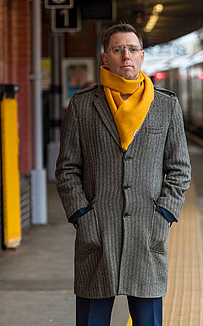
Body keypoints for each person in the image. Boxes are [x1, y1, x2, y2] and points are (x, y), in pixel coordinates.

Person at [56, 23, 191, 326]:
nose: (125, 56)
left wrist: (164, 216)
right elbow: (67, 169)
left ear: (142, 56)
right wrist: (81, 215)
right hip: (97, 232)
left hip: (147, 233)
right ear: (105, 58)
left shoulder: (165, 105)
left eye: (132, 49)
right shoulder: (82, 105)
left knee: (148, 322)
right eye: (117, 49)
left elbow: (180, 169)